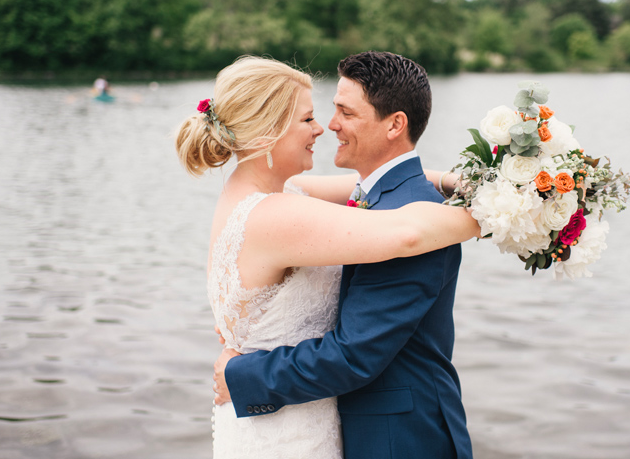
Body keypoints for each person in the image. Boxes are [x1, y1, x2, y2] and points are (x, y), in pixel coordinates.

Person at [175, 54, 477, 459]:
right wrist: (506, 212)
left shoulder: (265, 193)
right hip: (286, 432)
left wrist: (450, 180)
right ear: (267, 132)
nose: (324, 127)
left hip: (288, 420)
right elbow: (407, 233)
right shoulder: (276, 214)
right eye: (308, 119)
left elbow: (363, 184)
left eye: (339, 112)